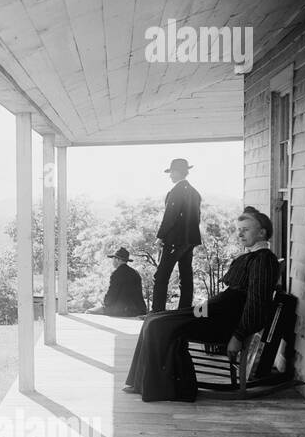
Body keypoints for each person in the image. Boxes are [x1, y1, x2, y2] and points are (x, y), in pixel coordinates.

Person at [122, 207, 281, 402]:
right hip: (211, 311)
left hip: (221, 320)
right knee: (154, 318)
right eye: (239, 229)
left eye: (246, 229)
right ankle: (141, 383)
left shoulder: (264, 260)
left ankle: (159, 388)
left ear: (262, 232)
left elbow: (257, 303)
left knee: (158, 325)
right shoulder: (251, 256)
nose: (240, 233)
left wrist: (238, 336)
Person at [152, 157, 203, 311]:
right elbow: (197, 218)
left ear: (178, 172)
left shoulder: (176, 191)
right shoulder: (195, 193)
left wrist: (160, 236)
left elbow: (170, 216)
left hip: (175, 240)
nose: (170, 176)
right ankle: (184, 311)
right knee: (186, 277)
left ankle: (157, 312)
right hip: (190, 240)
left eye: (172, 172)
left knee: (161, 277)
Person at [89, 248, 147, 317]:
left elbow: (111, 295)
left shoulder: (116, 274)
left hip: (122, 311)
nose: (112, 261)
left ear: (118, 259)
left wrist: (105, 302)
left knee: (89, 312)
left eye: (113, 259)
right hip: (139, 310)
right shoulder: (135, 273)